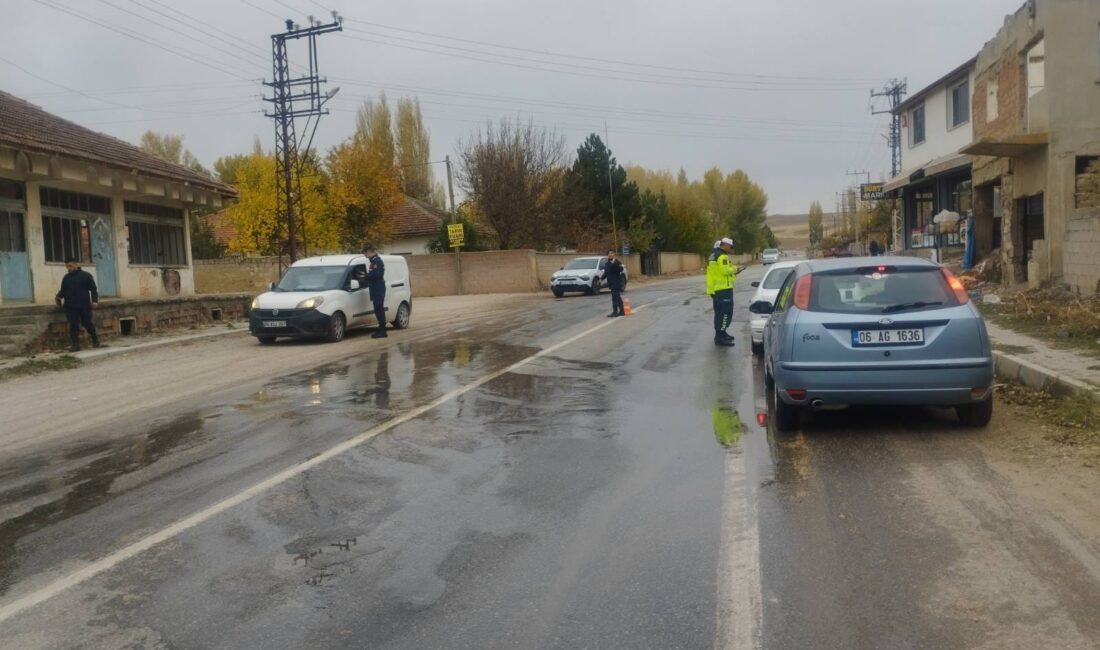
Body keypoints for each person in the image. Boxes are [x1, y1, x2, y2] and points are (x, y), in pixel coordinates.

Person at [55, 257, 100, 352]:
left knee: (87, 323)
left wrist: (95, 301)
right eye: (67, 266)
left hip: (84, 305)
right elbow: (63, 290)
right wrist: (58, 297)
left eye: (70, 266)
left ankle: (95, 340)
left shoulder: (86, 276)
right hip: (70, 306)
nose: (68, 268)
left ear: (76, 265)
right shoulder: (66, 278)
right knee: (73, 325)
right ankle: (75, 345)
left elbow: (93, 289)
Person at [706, 237, 737, 346]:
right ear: (725, 245)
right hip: (724, 289)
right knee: (725, 313)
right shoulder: (722, 256)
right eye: (730, 247)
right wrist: (735, 269)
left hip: (717, 289)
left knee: (719, 313)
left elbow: (714, 273)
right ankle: (720, 338)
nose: (730, 249)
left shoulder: (713, 255)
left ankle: (721, 334)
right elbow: (725, 271)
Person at [363, 246, 388, 338]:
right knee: (377, 309)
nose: (365, 255)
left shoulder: (377, 261)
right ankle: (381, 329)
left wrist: (366, 276)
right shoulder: (373, 262)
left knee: (379, 308)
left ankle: (383, 330)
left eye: (365, 253)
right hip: (375, 288)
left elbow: (377, 275)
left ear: (370, 252)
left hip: (378, 288)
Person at [604, 250, 626, 317]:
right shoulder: (607, 264)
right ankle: (622, 312)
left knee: (614, 298)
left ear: (614, 254)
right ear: (607, 255)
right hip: (611, 283)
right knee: (618, 297)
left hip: (616, 283)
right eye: (609, 253)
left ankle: (615, 312)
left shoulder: (617, 262)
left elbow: (620, 269)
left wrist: (614, 264)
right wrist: (600, 279)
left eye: (612, 253)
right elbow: (606, 273)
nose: (610, 254)